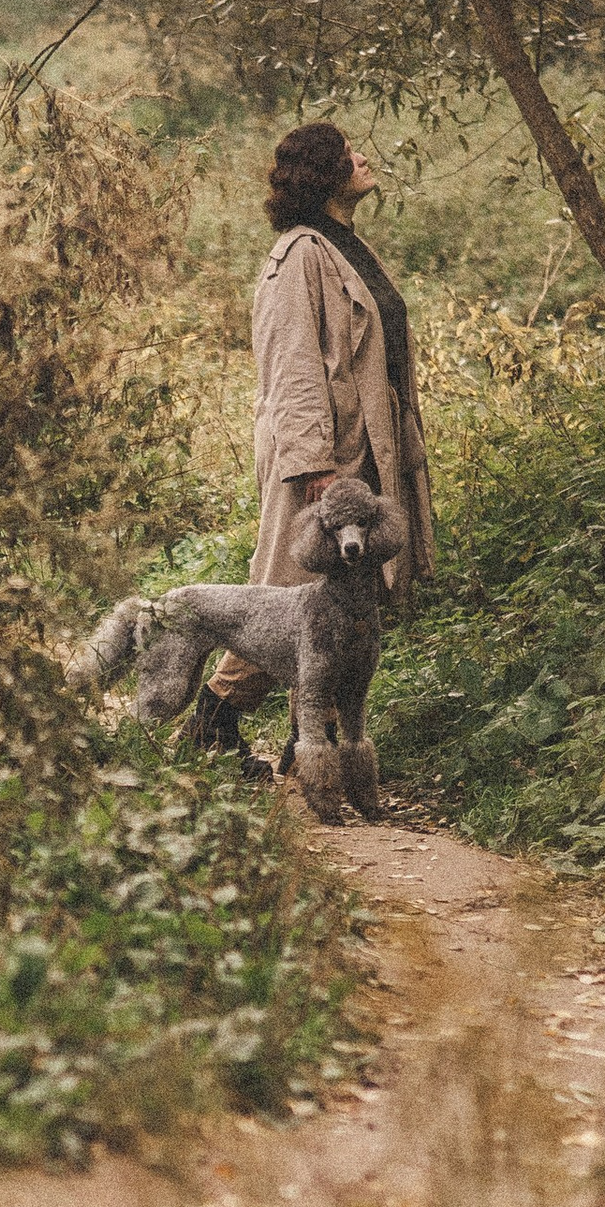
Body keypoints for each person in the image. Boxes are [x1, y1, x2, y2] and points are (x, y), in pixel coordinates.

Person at [194, 120, 435, 761]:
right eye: (347, 152)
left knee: (348, 598)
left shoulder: (347, 245)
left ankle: (320, 737)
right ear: (323, 173)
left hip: (367, 449)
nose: (362, 156)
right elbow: (291, 368)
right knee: (287, 593)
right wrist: (315, 468)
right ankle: (214, 716)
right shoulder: (298, 256)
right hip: (326, 459)